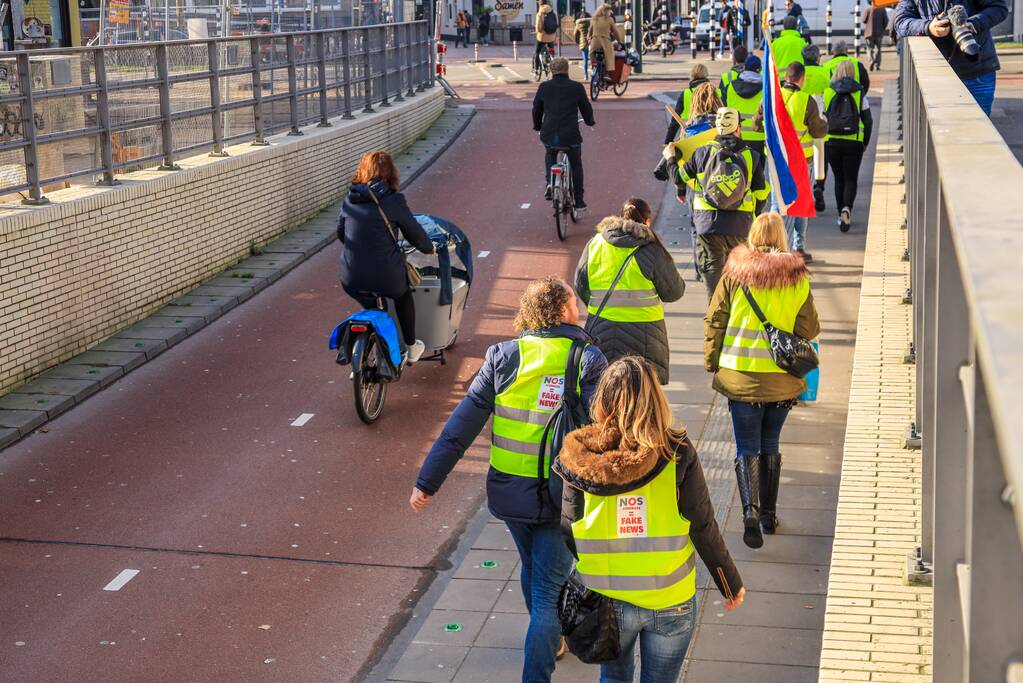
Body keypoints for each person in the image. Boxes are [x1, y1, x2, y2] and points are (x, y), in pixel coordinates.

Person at [411, 277, 608, 683]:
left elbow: (459, 428)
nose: (579, 306)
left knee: (534, 570)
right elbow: (607, 428)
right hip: (562, 495)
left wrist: (427, 482)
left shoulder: (503, 357)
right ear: (560, 311)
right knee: (547, 595)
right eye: (574, 300)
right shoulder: (586, 358)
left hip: (511, 494)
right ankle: (539, 666)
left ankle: (549, 637)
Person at [553, 356, 745, 682]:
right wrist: (729, 583)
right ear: (656, 398)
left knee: (614, 678)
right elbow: (702, 524)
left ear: (604, 400)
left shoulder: (583, 456)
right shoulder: (676, 451)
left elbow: (570, 525)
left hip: (608, 598)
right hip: (671, 597)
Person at [704, 212, 820, 548]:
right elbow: (809, 329)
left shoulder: (734, 273)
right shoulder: (797, 278)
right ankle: (769, 515)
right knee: (771, 444)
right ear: (783, 237)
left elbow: (716, 319)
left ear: (752, 234)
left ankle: (749, 512)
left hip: (740, 377)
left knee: (746, 446)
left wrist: (713, 360)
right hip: (781, 380)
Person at [338, 151, 436, 364]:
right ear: (391, 173)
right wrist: (429, 248)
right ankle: (411, 347)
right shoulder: (393, 200)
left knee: (371, 303)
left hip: (350, 277)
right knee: (402, 296)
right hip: (387, 275)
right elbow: (416, 235)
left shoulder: (350, 198)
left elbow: (341, 234)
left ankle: (375, 339)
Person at [575, 198, 686, 384]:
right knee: (642, 393)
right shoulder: (651, 249)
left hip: (601, 329)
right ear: (647, 222)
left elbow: (581, 285)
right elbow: (674, 292)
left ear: (620, 217)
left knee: (604, 390)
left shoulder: (595, 244)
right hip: (645, 335)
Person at [671, 107, 770, 300]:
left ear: (717, 127)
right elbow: (761, 194)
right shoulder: (752, 156)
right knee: (738, 284)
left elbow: (678, 177)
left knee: (714, 288)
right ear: (738, 128)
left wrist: (670, 158)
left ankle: (715, 323)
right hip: (740, 226)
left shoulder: (702, 153)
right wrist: (754, 217)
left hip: (708, 227)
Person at [755, 62, 828, 261]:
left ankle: (773, 245)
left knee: (777, 203)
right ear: (801, 79)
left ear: (786, 77)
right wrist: (824, 123)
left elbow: (756, 125)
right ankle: (798, 248)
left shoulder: (770, 98)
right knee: (801, 203)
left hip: (776, 160)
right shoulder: (807, 101)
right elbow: (817, 131)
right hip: (802, 161)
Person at [895, 0, 1007, 115]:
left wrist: (972, 24)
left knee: (980, 127)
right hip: (935, 76)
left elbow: (999, 8)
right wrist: (929, 27)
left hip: (977, 72)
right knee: (943, 129)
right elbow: (901, 21)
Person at [533, 57, 595, 210]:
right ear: (567, 69)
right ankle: (579, 201)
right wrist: (589, 121)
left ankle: (549, 183)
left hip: (550, 133)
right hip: (570, 135)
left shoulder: (544, 87)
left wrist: (537, 126)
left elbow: (536, 109)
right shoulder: (577, 87)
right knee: (576, 164)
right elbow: (586, 108)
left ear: (552, 70)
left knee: (550, 153)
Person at [824, 59, 872, 232]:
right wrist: (865, 141)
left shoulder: (828, 92)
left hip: (832, 141)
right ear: (852, 72)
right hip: (854, 141)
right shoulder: (860, 93)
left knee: (839, 178)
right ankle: (847, 209)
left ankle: (840, 214)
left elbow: (823, 118)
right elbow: (868, 120)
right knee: (851, 178)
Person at [723, 54, 766, 159]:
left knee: (740, 171)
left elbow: (723, 110)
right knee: (758, 173)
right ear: (760, 69)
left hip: (736, 136)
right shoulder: (765, 90)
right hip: (758, 137)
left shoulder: (730, 87)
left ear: (744, 68)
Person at [665, 62, 714, 144]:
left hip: (689, 137)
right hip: (709, 136)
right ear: (706, 75)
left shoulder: (686, 93)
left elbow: (675, 119)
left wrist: (668, 140)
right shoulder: (715, 92)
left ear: (693, 75)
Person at [588, 3, 625, 83]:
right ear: (605, 11)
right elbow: (616, 32)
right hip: (605, 42)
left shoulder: (594, 19)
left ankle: (594, 68)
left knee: (593, 55)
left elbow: (590, 32)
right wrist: (619, 42)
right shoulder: (609, 20)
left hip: (595, 43)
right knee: (609, 55)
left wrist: (590, 37)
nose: (610, 12)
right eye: (608, 11)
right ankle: (607, 73)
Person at [861, 3, 889, 70]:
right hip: (879, 33)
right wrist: (882, 28)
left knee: (869, 48)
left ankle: (871, 60)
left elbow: (863, 20)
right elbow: (886, 21)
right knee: (878, 50)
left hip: (869, 33)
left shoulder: (868, 9)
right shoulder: (882, 10)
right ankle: (877, 65)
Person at [535, 0, 558, 74]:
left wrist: (538, 31)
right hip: (552, 36)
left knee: (537, 52)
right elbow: (556, 24)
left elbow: (538, 27)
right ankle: (552, 58)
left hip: (542, 37)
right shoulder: (553, 12)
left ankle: (536, 69)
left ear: (540, 4)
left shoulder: (540, 13)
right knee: (551, 50)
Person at [574, 9, 592, 78]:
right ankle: (594, 72)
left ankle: (585, 74)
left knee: (585, 59)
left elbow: (575, 34)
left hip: (583, 43)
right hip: (591, 42)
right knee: (594, 59)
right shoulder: (590, 23)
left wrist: (578, 41)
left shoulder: (579, 24)